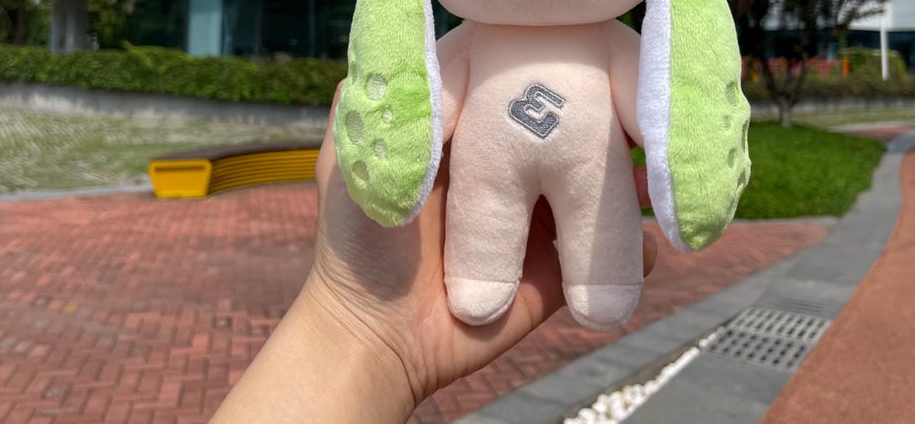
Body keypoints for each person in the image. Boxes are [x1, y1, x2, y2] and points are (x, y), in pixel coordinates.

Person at [210, 92, 659, 423]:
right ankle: (481, 278)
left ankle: (603, 278)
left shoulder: (609, 44)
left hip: (583, 172)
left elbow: (658, 108)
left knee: (598, 212)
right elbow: (424, 106)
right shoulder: (472, 42)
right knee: (486, 209)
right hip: (489, 175)